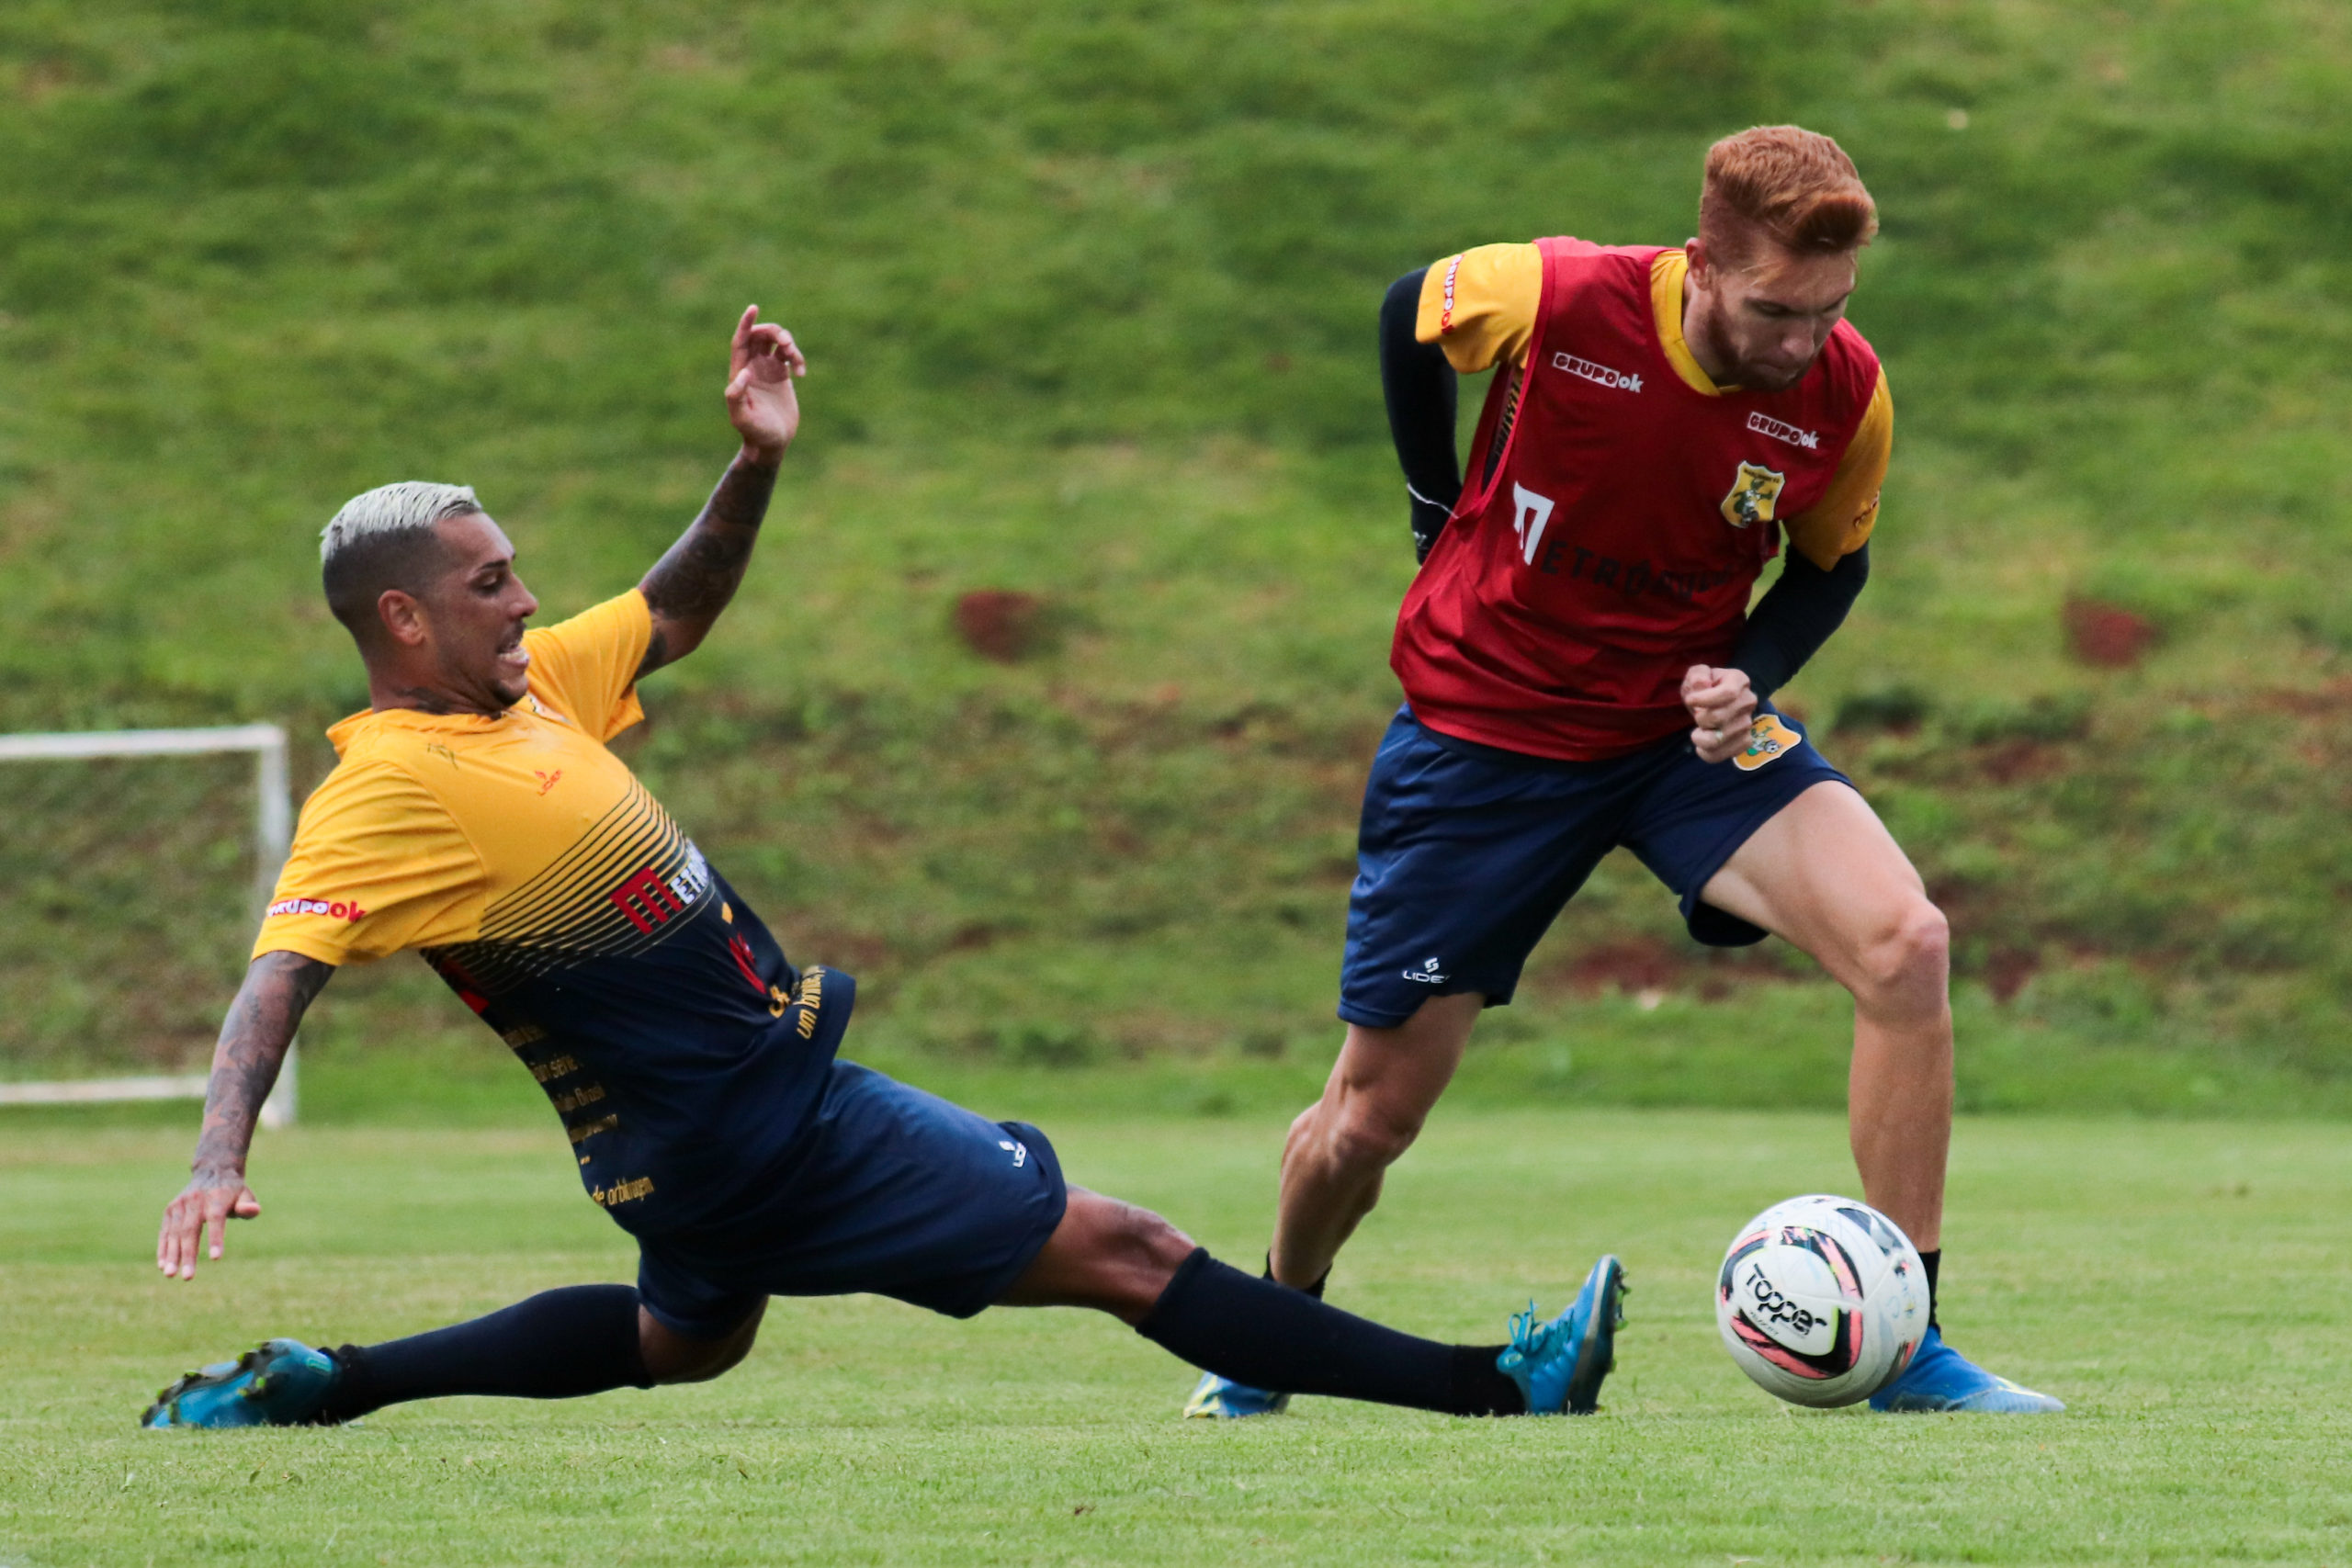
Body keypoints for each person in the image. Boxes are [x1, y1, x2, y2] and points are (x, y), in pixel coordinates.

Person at [143, 308, 1626, 1433]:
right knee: (1129, 1248)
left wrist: (752, 461)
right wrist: (220, 1155)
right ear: (401, 621)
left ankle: (326, 1387)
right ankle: (1504, 1388)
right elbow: (281, 971)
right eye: (489, 583)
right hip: (768, 1129)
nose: (527, 597)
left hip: (686, 1147)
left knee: (683, 1343)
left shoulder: (529, 691)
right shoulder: (386, 788)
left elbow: (670, 612)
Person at [1186, 127, 2060, 1418]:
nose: (1802, 341)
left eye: (1829, 311)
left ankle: (1910, 1342)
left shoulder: (1844, 391)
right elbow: (1403, 313)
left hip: (1679, 739)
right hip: (1487, 737)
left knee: (1905, 944)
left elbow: (1834, 565)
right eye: (1775, 309)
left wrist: (1750, 671)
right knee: (1367, 1122)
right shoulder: (1558, 295)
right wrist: (1434, 510)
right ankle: (1271, 1334)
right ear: (1701, 264)